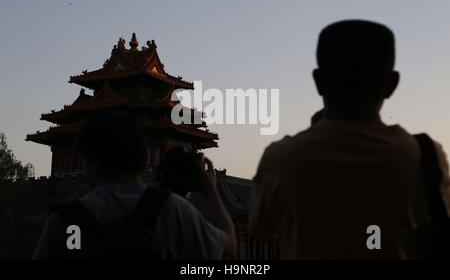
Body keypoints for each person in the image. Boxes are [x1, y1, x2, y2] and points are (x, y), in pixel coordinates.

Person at [249, 20, 450, 259]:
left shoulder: (281, 158)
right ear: (392, 84)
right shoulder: (425, 156)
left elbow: (261, 231)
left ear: (318, 81)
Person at [33, 110, 236, 260]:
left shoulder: (65, 221)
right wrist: (211, 190)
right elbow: (229, 248)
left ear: (91, 162)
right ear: (143, 155)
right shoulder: (172, 210)